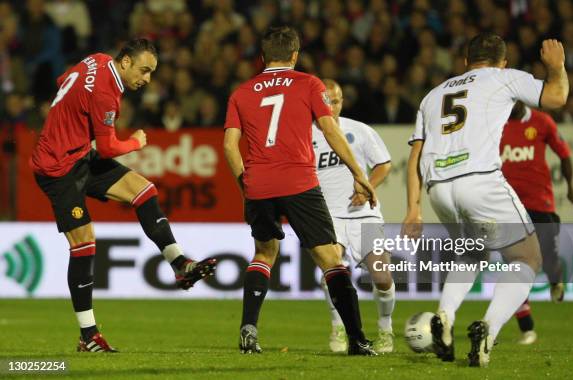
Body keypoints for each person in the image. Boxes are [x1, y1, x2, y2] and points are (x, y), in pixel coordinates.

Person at [30, 39, 217, 353]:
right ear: (126, 62)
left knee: (143, 190)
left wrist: (70, 119)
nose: (147, 79)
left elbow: (64, 81)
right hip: (57, 168)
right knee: (84, 242)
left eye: (152, 73)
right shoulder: (106, 93)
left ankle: (180, 265)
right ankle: (88, 335)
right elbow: (108, 147)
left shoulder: (97, 60)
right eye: (144, 70)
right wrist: (135, 142)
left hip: (77, 155)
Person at [402, 33, 569, 367]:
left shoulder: (433, 95)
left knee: (472, 254)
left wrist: (413, 207)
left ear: (465, 60)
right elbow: (557, 97)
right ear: (503, 62)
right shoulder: (504, 78)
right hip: (478, 180)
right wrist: (557, 67)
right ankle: (488, 331)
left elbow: (414, 156)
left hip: (439, 189)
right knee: (527, 257)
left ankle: (444, 319)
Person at [223, 26, 377, 356]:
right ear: (295, 55)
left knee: (263, 254)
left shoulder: (242, 92)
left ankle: (249, 328)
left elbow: (229, 145)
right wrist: (358, 172)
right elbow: (330, 130)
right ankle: (357, 340)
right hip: (299, 182)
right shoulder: (309, 83)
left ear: (262, 57)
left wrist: (243, 182)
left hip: (259, 184)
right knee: (331, 259)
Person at [314, 79, 396, 353]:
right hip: (328, 218)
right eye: (325, 101)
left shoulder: (359, 131)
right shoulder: (306, 135)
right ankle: (338, 327)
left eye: (335, 101)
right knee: (332, 273)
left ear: (342, 102)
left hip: (365, 216)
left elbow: (384, 164)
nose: (331, 106)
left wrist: (367, 186)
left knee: (382, 276)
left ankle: (386, 329)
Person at [501, 101, 573, 345]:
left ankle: (555, 279)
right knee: (515, 266)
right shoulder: (494, 122)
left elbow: (564, 155)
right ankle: (527, 329)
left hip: (540, 203)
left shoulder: (542, 122)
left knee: (548, 258)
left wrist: (571, 188)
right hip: (507, 206)